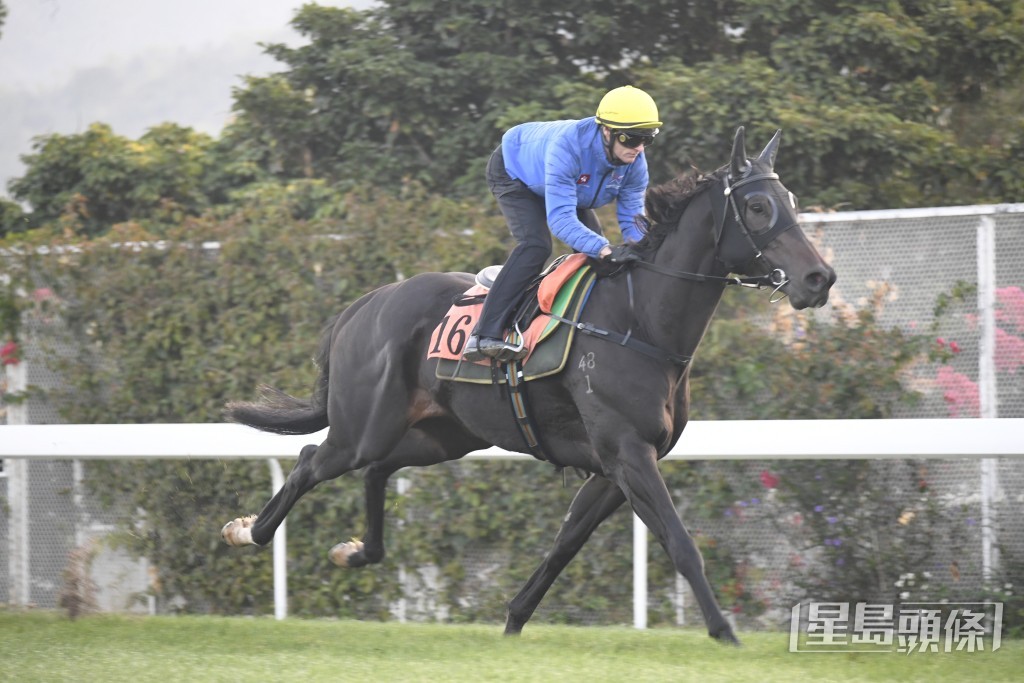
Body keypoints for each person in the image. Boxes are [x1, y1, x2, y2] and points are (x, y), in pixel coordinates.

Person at [463, 85, 662, 362]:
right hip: (515, 172)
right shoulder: (568, 145)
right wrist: (605, 248)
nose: (639, 149)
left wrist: (645, 250)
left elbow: (632, 221)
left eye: (647, 140)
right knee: (536, 245)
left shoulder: (635, 161)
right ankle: (484, 335)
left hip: (567, 187)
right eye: (632, 139)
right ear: (607, 131)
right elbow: (560, 220)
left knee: (600, 257)